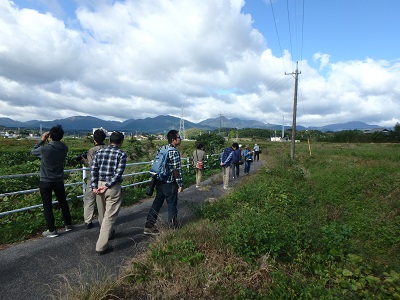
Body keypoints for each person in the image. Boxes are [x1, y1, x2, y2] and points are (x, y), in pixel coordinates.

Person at [31, 125, 72, 238]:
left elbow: (33, 151)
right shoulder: (64, 148)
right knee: (63, 202)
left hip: (45, 180)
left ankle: (52, 230)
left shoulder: (45, 149)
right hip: (58, 180)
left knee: (47, 205)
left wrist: (42, 140)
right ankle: (68, 224)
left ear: (50, 136)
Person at [91, 131, 127, 255]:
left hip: (99, 185)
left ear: (109, 140)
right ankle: (101, 246)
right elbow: (118, 173)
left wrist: (94, 186)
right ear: (121, 141)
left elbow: (93, 170)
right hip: (112, 187)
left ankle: (109, 233)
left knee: (102, 214)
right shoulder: (121, 154)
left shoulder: (99, 152)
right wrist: (107, 185)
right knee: (109, 216)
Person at [144, 130, 184, 235]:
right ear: (174, 140)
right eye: (179, 137)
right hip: (170, 183)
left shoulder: (163, 148)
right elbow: (176, 170)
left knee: (156, 204)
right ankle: (173, 228)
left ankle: (149, 226)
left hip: (159, 181)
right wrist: (180, 184)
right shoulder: (174, 152)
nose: (180, 139)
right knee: (172, 205)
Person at [81, 129, 107, 229]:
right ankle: (103, 221)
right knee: (102, 201)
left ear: (94, 139)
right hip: (104, 177)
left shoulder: (92, 150)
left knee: (89, 199)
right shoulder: (107, 148)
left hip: (93, 178)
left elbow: (91, 165)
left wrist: (85, 160)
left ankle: (88, 221)